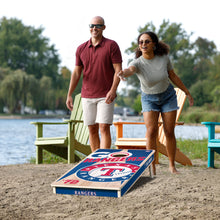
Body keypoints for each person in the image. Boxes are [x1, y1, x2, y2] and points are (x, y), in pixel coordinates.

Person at [117, 31, 194, 174]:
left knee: (169, 131)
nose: (143, 44)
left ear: (154, 44)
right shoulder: (137, 63)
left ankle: (172, 166)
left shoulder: (164, 58)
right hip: (149, 99)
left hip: (168, 97)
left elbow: (173, 76)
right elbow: (130, 70)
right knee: (151, 131)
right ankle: (151, 167)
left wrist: (186, 92)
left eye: (147, 41)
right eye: (141, 42)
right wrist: (123, 73)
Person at [66, 16, 122, 153]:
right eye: (92, 25)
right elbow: (76, 73)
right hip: (87, 95)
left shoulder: (111, 45)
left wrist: (113, 90)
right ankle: (96, 160)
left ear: (104, 27)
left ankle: (104, 159)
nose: (94, 28)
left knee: (103, 127)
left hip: (106, 95)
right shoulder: (81, 48)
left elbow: (118, 71)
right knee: (91, 128)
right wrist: (69, 95)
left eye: (97, 25)